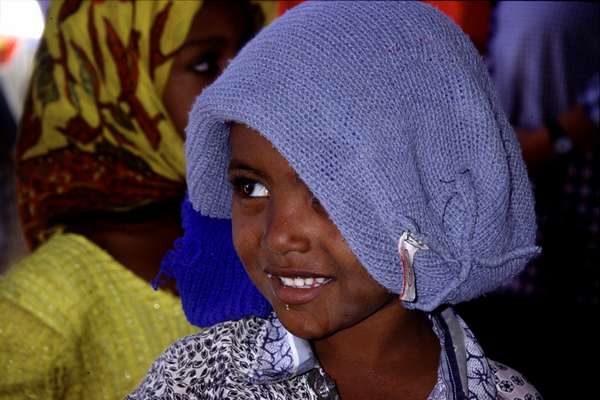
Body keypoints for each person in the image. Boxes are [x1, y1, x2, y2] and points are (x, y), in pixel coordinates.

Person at [128, 2, 543, 399]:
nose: (279, 237)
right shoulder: (194, 381)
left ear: (426, 194)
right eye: (251, 187)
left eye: (327, 191)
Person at [0, 1, 270, 398]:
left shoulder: (278, 242)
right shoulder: (41, 313)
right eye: (203, 64)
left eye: (249, 55)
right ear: (116, 82)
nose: (239, 86)